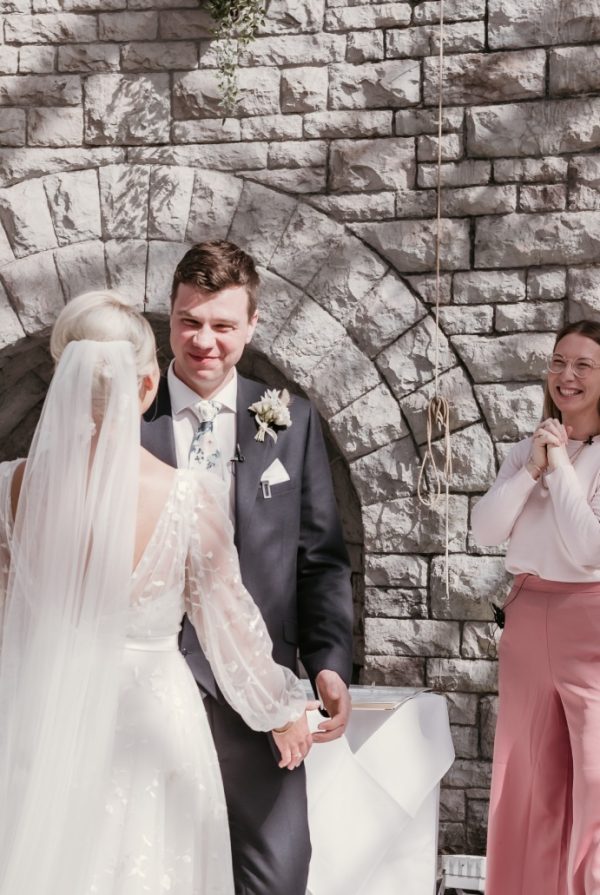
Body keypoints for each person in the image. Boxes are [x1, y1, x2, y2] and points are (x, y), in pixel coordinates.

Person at [0, 290, 317, 895]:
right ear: (146, 387)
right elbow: (230, 627)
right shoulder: (185, 495)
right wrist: (278, 710)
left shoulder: (9, 489)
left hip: (42, 713)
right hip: (150, 719)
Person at [142, 240, 354, 894]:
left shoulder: (289, 422)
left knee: (277, 877)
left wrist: (328, 661)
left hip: (262, 695)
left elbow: (320, 559)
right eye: (189, 321)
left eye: (223, 325)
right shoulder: (124, 418)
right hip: (151, 687)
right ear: (170, 316)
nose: (204, 340)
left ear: (252, 326)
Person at [472, 319, 600, 895]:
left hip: (591, 624)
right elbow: (485, 529)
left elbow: (590, 549)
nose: (565, 376)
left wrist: (563, 467)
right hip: (526, 617)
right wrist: (532, 467)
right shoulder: (527, 450)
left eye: (583, 365)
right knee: (525, 780)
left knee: (594, 779)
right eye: (557, 362)